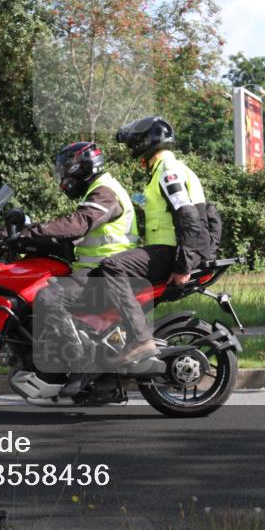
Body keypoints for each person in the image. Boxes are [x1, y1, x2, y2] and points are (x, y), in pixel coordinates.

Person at [96, 115, 217, 365]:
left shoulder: (168, 171)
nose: (132, 148)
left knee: (112, 266)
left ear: (146, 141)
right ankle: (114, 346)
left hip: (173, 252)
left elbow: (187, 217)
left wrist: (184, 266)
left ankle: (140, 340)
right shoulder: (162, 171)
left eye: (134, 142)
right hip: (170, 250)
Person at [18, 142, 139, 376]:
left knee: (49, 299)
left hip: (104, 273)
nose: (62, 177)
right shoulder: (98, 190)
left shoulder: (105, 192)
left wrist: (32, 233)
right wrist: (28, 235)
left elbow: (77, 224)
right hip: (96, 270)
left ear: (80, 168)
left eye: (64, 171)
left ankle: (83, 365)